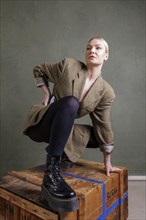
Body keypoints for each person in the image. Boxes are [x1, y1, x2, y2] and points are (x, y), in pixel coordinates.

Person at [23, 36, 120, 212]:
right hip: (42, 125)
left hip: (62, 131)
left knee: (100, 137)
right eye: (89, 48)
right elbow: (39, 69)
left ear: (106, 55)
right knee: (71, 103)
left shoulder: (106, 92)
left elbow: (103, 124)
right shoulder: (69, 66)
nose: (92, 51)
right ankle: (51, 173)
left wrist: (108, 160)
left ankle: (64, 155)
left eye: (98, 48)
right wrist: (46, 94)